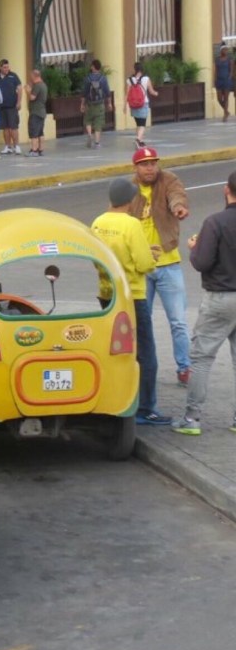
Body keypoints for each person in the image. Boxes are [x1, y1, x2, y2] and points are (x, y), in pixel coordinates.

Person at [91, 178, 168, 424]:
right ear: (130, 200)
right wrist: (152, 257)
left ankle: (117, 399)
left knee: (117, 350)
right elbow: (144, 264)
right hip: (132, 295)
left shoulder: (98, 222)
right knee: (145, 353)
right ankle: (146, 408)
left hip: (107, 294)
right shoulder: (131, 224)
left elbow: (96, 257)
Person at [172, 170, 236, 436]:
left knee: (201, 358)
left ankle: (192, 418)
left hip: (220, 298)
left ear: (226, 189)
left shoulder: (215, 222)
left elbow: (202, 262)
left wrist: (193, 248)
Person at [128, 146, 191, 385]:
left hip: (168, 263)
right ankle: (140, 367)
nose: (150, 168)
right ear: (136, 167)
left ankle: (184, 367)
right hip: (141, 268)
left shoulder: (168, 180)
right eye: (145, 164)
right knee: (141, 322)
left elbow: (177, 195)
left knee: (178, 321)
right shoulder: (130, 188)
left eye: (153, 163)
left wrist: (178, 207)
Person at [81, 59, 111, 150]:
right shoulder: (103, 78)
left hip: (90, 104)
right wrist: (109, 103)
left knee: (88, 120)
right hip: (100, 104)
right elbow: (107, 92)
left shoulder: (88, 78)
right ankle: (97, 143)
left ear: (93, 67)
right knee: (98, 123)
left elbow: (84, 93)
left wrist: (82, 104)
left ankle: (90, 135)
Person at [126, 63, 158, 145]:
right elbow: (151, 91)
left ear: (135, 69)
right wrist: (156, 93)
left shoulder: (130, 80)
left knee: (138, 124)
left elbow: (127, 94)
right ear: (142, 69)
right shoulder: (146, 79)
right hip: (143, 103)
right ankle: (138, 139)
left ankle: (140, 141)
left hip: (133, 104)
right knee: (142, 125)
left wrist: (124, 105)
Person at [0, 59, 23, 155]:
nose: (7, 69)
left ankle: (16, 146)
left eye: (7, 67)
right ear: (0, 67)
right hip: (1, 107)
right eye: (4, 67)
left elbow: (20, 89)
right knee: (5, 127)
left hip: (12, 106)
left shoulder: (13, 76)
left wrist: (19, 102)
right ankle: (8, 146)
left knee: (13, 127)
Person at [26, 69, 48, 156]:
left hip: (36, 112)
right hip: (42, 111)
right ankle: (40, 149)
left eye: (31, 76)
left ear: (34, 76)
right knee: (40, 132)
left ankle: (34, 150)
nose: (30, 78)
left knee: (34, 131)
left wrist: (28, 91)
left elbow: (32, 97)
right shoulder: (43, 85)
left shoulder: (37, 86)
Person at [214, 46, 233, 121]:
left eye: (226, 50)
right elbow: (216, 70)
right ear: (221, 51)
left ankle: (225, 115)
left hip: (226, 80)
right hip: (219, 80)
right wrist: (215, 79)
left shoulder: (229, 59)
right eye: (224, 50)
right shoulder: (217, 59)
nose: (226, 51)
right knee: (219, 99)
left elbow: (231, 70)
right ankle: (226, 111)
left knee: (226, 98)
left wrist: (229, 78)